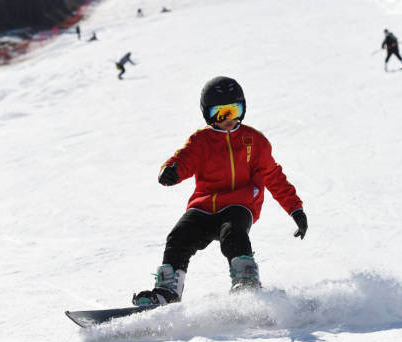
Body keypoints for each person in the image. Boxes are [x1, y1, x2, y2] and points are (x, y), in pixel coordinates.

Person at [132, 76, 308, 306]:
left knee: (234, 234)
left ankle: (247, 284)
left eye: (234, 110)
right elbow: (183, 160)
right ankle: (167, 293)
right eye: (221, 113)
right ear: (208, 115)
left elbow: (273, 176)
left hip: (239, 204)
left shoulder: (254, 141)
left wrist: (295, 209)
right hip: (203, 207)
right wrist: (170, 171)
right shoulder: (201, 141)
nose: (228, 119)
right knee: (178, 237)